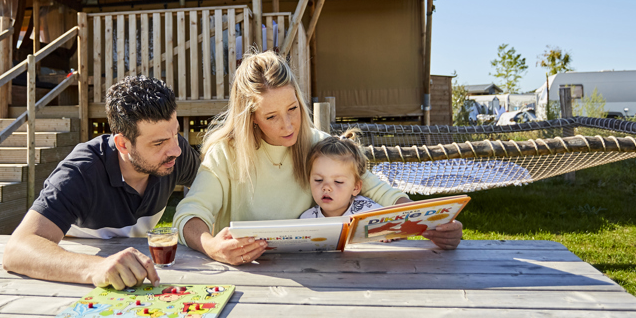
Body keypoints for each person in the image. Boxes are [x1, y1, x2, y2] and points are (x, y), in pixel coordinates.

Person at [174, 51, 462, 265]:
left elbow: (377, 190)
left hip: (317, 269)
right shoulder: (226, 153)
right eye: (271, 117)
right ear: (251, 120)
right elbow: (189, 214)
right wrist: (211, 246)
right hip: (246, 275)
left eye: (293, 109)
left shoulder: (318, 144)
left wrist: (429, 221)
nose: (288, 125)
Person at [2, 76, 199, 290]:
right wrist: (97, 267)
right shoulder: (81, 172)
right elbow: (17, 250)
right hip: (67, 285)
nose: (176, 150)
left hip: (140, 280)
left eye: (175, 134)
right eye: (158, 143)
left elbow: (216, 191)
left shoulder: (175, 155)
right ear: (122, 144)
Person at [298, 129, 385, 219]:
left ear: (356, 187)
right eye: (318, 180)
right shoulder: (306, 220)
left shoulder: (371, 213)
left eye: (338, 181)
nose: (326, 187)